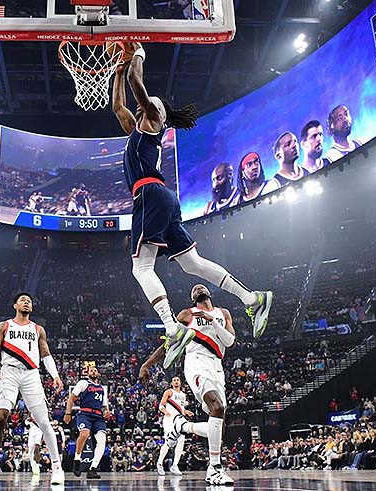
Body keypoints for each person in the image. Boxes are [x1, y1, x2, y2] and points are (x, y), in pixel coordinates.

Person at [111, 42, 273, 369]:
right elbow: (118, 107)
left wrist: (138, 54)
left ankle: (172, 328)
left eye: (150, 104)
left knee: (141, 268)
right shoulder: (138, 129)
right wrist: (117, 71)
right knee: (192, 264)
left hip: (149, 193)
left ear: (159, 111)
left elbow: (138, 86)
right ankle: (252, 298)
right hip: (163, 197)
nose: (144, 104)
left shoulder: (154, 117)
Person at [139, 284, 237, 485]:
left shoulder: (223, 313)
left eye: (201, 286)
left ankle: (183, 426)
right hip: (196, 362)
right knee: (216, 407)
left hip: (217, 366)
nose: (198, 288)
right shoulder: (187, 314)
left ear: (209, 292)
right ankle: (215, 468)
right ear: (193, 298)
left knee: (219, 424)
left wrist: (214, 322)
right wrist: (147, 364)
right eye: (194, 289)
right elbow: (170, 342)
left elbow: (231, 342)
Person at [0, 293, 65, 486]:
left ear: (32, 308)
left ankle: (57, 467)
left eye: (29, 301)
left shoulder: (38, 329)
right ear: (15, 305)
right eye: (23, 300)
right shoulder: (4, 326)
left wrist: (55, 375)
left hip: (31, 374)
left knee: (44, 421)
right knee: (1, 417)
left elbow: (46, 354)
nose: (26, 302)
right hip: (8, 372)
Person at [64, 364, 108, 479]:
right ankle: (77, 459)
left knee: (102, 440)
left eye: (95, 370)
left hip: (98, 416)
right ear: (88, 374)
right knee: (84, 434)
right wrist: (68, 413)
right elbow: (71, 398)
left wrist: (107, 411)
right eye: (91, 370)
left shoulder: (102, 388)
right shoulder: (83, 383)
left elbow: (104, 405)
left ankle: (92, 468)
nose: (93, 372)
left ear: (98, 374)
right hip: (85, 413)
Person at [155, 376, 192, 476]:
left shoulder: (183, 395)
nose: (176, 382)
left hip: (179, 420)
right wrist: (165, 411)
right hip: (169, 420)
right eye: (174, 380)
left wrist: (186, 412)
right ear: (171, 383)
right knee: (169, 442)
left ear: (180, 383)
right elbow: (161, 406)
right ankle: (159, 463)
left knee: (181, 441)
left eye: (178, 380)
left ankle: (175, 465)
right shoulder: (169, 392)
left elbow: (181, 409)